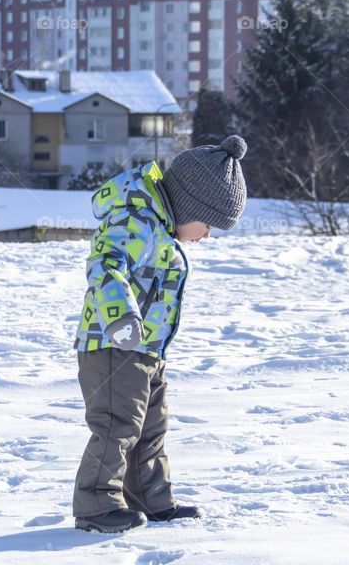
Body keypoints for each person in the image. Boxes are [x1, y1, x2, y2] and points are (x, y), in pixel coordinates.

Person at [72, 135, 248, 533]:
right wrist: (120, 317)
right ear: (190, 205)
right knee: (116, 425)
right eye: (208, 224)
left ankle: (149, 499)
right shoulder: (135, 219)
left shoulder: (160, 230)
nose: (206, 236)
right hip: (111, 345)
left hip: (147, 350)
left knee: (150, 426)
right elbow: (105, 265)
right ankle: (96, 504)